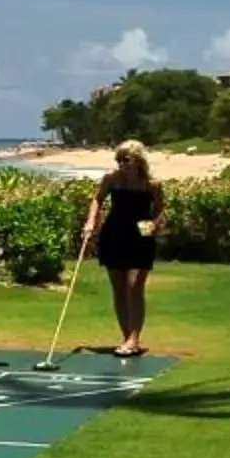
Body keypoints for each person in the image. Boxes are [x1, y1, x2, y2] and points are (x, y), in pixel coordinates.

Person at [82, 140, 165, 358]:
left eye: (125, 160)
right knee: (119, 288)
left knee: (134, 286)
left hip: (140, 235)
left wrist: (152, 227)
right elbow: (97, 200)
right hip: (114, 234)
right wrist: (91, 222)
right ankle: (128, 337)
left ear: (138, 160)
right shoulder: (112, 179)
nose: (121, 164)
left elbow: (159, 210)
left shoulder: (152, 184)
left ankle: (134, 339)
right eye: (118, 160)